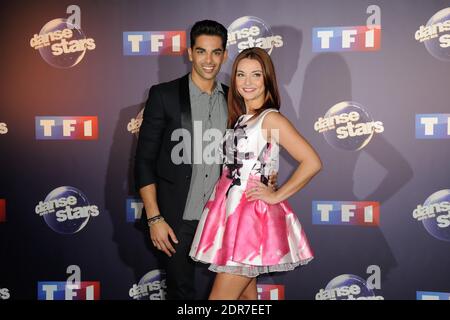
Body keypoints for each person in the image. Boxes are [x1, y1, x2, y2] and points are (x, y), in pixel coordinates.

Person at [134, 20, 276, 300]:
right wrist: (154, 218)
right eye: (201, 51)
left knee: (246, 295)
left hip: (226, 217)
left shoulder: (236, 99)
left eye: (215, 52)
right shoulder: (164, 96)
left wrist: (269, 179)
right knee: (181, 293)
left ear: (224, 55)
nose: (208, 60)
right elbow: (143, 162)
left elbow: (255, 149)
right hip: (177, 219)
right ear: (190, 53)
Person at [189, 47, 322, 300]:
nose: (247, 82)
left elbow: (312, 161)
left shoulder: (271, 119)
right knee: (247, 300)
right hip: (229, 212)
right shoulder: (242, 119)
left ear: (267, 79)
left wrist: (276, 195)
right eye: (241, 75)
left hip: (249, 219)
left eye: (256, 75)